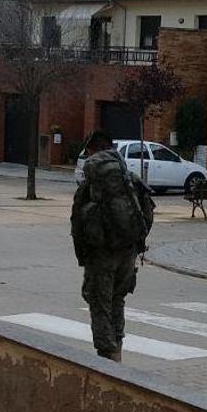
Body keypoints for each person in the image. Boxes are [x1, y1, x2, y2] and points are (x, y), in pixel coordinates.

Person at [71, 131, 155, 362]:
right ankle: (117, 349)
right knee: (118, 300)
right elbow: (147, 214)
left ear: (92, 150)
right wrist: (135, 244)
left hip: (101, 254)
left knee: (99, 303)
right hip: (127, 252)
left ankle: (107, 357)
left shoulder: (92, 185)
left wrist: (84, 254)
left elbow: (77, 222)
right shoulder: (130, 179)